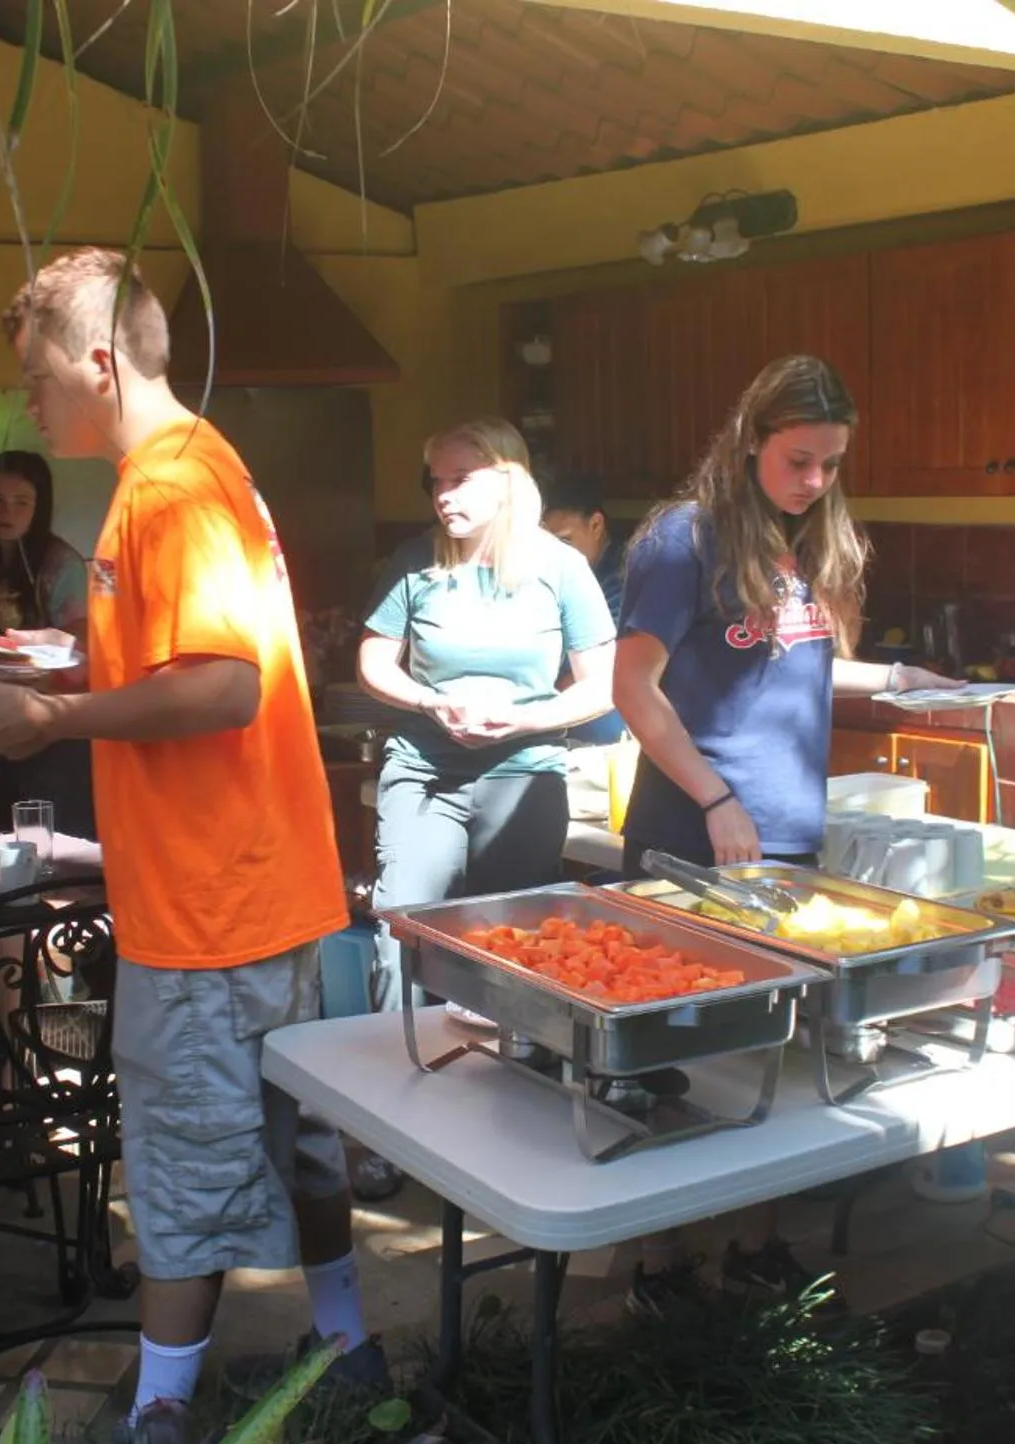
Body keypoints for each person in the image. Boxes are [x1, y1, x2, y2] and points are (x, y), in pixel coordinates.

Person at [0, 247, 377, 1416]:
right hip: (257, 890)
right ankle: (346, 1349)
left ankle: (158, 1434)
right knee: (292, 1144)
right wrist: (61, 666)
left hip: (207, 908)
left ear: (97, 361)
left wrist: (57, 714)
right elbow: (178, 660)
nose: (24, 400)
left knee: (185, 1178)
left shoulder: (172, 488)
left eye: (34, 372)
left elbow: (223, 687)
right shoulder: (193, 468)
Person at [611, 353, 957, 1309]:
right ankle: (660, 1258)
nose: (815, 481)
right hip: (697, 835)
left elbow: (788, 667)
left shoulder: (796, 543)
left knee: (769, 1050)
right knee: (677, 1054)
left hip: (787, 838)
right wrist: (718, 799)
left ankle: (752, 1245)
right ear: (750, 439)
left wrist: (894, 678)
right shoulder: (685, 540)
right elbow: (632, 687)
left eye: (831, 464)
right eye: (799, 460)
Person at [358, 419, 616, 1015]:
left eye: (461, 479)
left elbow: (601, 687)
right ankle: (396, 1072)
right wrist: (428, 700)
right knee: (405, 929)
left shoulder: (561, 567)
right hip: (425, 771)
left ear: (508, 482)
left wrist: (523, 720)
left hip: (524, 772)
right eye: (436, 481)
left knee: (519, 938)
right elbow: (373, 660)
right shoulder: (414, 560)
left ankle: (510, 1069)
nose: (443, 494)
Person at [0, 447, 98, 842]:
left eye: (22, 502)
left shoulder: (59, 565)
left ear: (40, 508)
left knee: (55, 849)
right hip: (6, 723)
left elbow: (81, 652)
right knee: (10, 847)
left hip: (58, 731)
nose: (7, 512)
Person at [538, 472, 628, 745]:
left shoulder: (627, 575)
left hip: (603, 711)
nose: (553, 554)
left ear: (596, 524)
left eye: (565, 541)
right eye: (545, 542)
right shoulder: (541, 569)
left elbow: (602, 671)